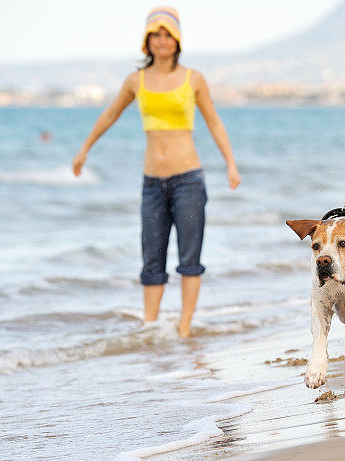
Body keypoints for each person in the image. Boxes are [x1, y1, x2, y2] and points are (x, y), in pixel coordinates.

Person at [72, 6, 240, 337]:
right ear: (146, 41)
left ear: (177, 41)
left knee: (189, 258)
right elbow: (109, 115)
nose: (162, 41)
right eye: (156, 34)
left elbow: (214, 122)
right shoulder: (136, 80)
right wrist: (84, 149)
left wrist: (230, 163)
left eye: (168, 34)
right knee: (152, 260)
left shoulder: (194, 79)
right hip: (151, 184)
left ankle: (184, 329)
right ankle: (149, 331)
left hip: (188, 180)